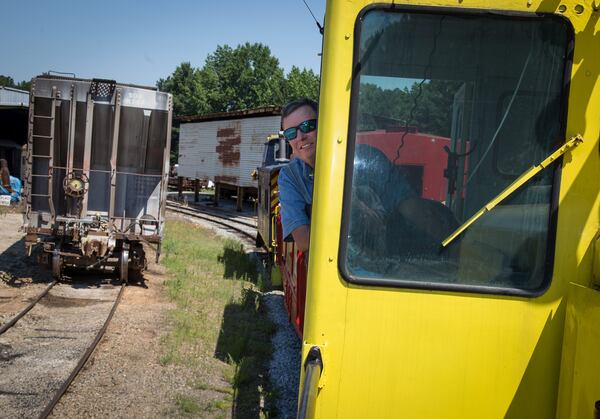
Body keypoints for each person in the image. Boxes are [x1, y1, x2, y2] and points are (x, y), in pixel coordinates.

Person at [277, 98, 318, 253]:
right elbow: (303, 241)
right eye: (291, 133)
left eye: (307, 126)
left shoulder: (360, 159)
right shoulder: (290, 176)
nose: (300, 137)